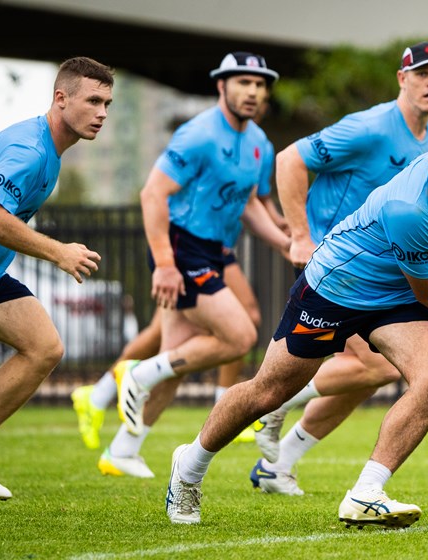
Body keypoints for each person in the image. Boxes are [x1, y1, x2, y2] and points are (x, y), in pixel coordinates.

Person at [164, 101, 428, 527]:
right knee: (268, 393)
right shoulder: (412, 206)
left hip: (399, 293)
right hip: (337, 286)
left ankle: (366, 493)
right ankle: (189, 466)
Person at [250, 41, 428, 496]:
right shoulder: (372, 127)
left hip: (376, 275)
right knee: (377, 371)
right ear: (403, 79)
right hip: (334, 266)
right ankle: (273, 406)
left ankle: (278, 463)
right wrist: (301, 235)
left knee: (362, 382)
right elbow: (289, 160)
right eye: (423, 74)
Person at [103, 52, 290, 478]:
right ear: (221, 86)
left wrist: (285, 240)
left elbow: (252, 205)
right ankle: (137, 372)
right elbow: (152, 194)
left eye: (260, 85)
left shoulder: (259, 142)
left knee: (178, 357)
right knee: (240, 335)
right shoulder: (199, 134)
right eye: (243, 82)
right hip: (181, 247)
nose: (253, 92)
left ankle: (123, 448)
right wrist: (165, 264)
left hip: (213, 251)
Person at [0, 57, 114, 499]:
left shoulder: (48, 149)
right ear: (61, 98)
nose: (102, 113)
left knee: (44, 347)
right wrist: (58, 252)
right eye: (93, 100)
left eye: (108, 103)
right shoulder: (31, 150)